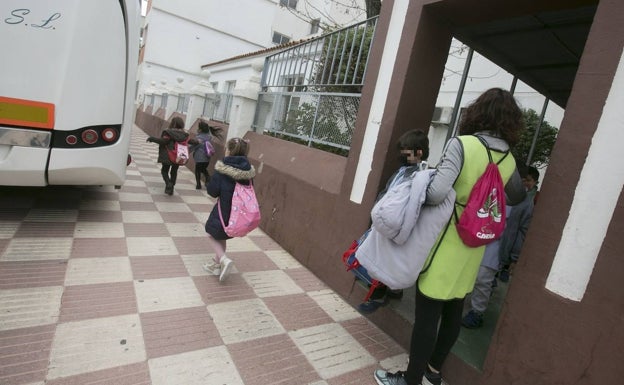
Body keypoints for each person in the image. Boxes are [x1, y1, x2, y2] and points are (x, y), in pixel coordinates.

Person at [373, 88, 526, 385]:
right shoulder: (508, 156)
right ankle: (432, 372)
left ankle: (410, 380)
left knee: (427, 315)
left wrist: (428, 179)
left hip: (448, 239)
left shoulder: (463, 145)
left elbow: (435, 194)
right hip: (474, 246)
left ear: (478, 112)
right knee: (454, 309)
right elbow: (518, 195)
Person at [358, 129, 430, 314]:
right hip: (384, 219)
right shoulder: (403, 170)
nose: (401, 154)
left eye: (406, 150)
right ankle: (386, 291)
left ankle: (384, 293)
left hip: (395, 223)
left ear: (418, 152)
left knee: (388, 259)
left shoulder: (420, 175)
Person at [461, 165, 535, 329]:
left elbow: (523, 230)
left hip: (498, 245)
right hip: (481, 238)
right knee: (470, 271)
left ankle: (477, 312)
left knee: (482, 278)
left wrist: (514, 257)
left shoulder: (525, 203)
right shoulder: (495, 188)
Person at [202, 137, 256, 282]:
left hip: (223, 210)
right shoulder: (248, 172)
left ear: (229, 150)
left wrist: (210, 182)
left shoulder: (222, 170)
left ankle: (224, 260)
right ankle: (216, 265)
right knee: (221, 236)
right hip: (238, 213)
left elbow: (213, 191)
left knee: (210, 233)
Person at [146, 117, 197, 195]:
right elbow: (190, 141)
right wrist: (198, 142)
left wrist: (152, 139)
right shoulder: (184, 134)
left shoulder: (168, 132)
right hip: (178, 157)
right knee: (174, 171)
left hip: (167, 155)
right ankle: (171, 187)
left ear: (173, 123)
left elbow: (163, 141)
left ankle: (168, 184)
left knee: (164, 171)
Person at [190, 121, 223, 190]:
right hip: (207, 158)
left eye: (198, 128)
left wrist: (187, 152)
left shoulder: (198, 137)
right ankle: (207, 178)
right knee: (203, 169)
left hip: (199, 158)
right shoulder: (209, 137)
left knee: (197, 170)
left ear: (200, 130)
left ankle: (198, 184)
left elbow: (193, 147)